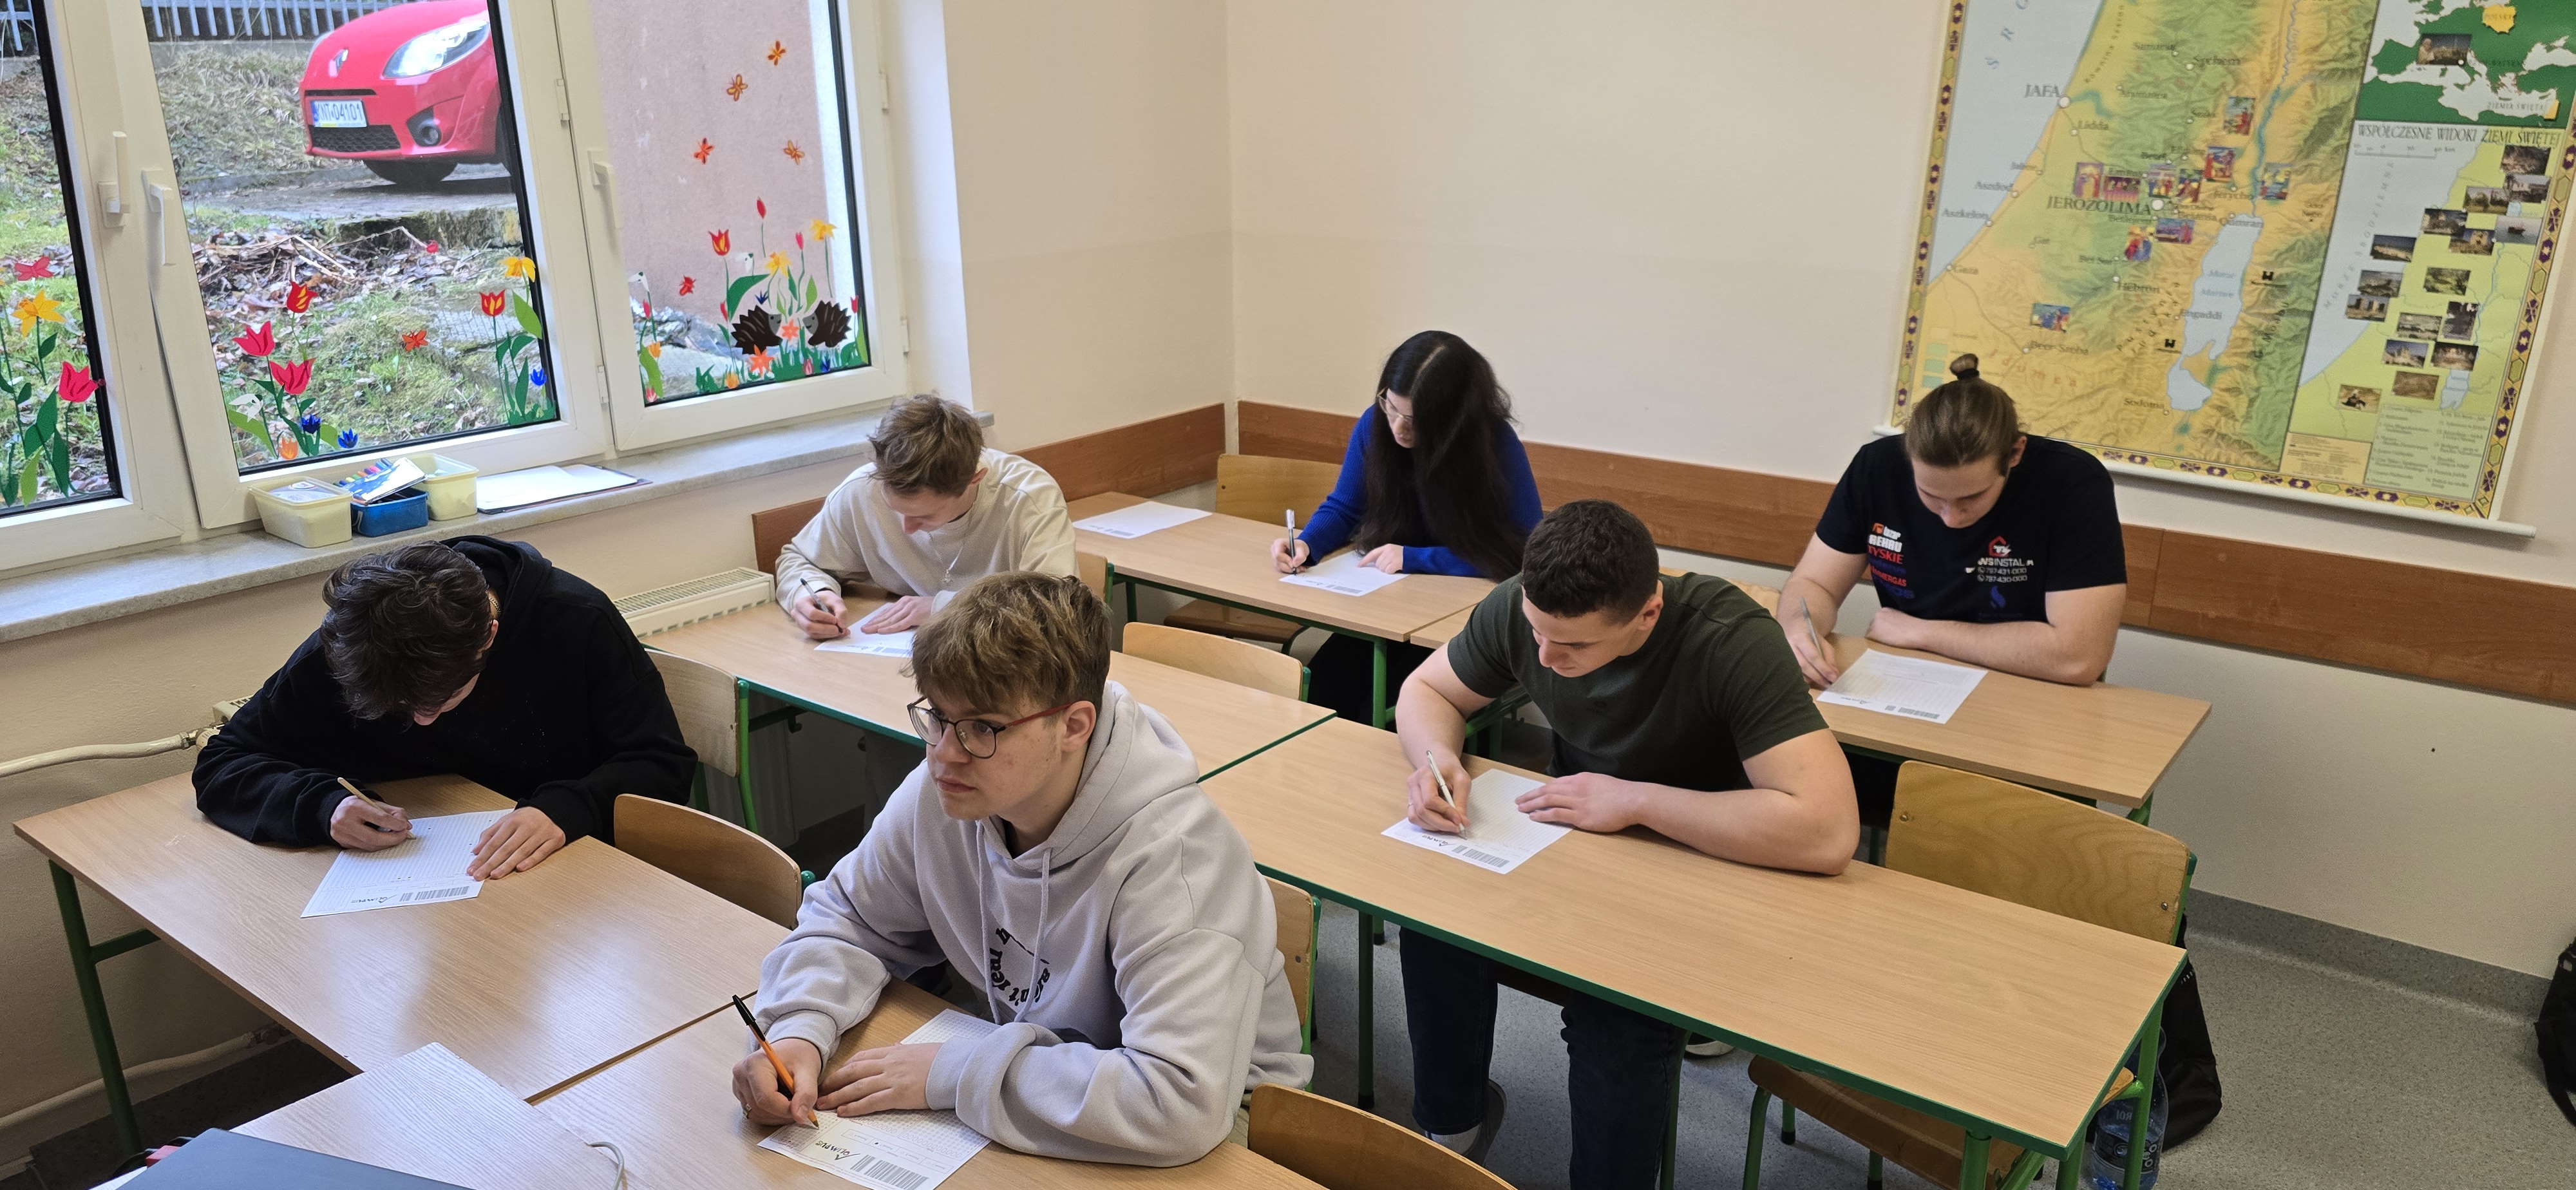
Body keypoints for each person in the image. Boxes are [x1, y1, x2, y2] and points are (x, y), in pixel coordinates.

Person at [1777, 357, 2221, 1146]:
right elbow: (1813, 582)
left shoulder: (2069, 483)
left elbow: (2076, 654)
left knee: (2084, 874)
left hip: (2028, 739)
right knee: (1782, 795)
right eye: (1930, 498)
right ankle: (1808, 1011)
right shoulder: (1877, 467)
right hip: (1896, 719)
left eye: (1971, 500)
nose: (1949, 518)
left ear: (2012, 455)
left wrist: (1919, 631)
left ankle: (2154, 1080)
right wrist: (1798, 626)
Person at [735, 572, 1311, 1164]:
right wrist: (798, 1030)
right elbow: (848, 920)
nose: (943, 753)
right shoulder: (949, 791)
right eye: (937, 717)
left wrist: (957, 1072)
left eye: (983, 728)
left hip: (1221, 1127)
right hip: (1040, 1082)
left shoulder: (1178, 861)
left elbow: (1179, 1102)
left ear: (1074, 726)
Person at [1393, 500, 1855, 1189]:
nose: (1544, 658)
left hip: (1708, 860)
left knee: (1616, 1018)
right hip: (1579, 840)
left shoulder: (1731, 639)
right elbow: (1428, 689)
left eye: (1573, 647)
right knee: (1436, 926)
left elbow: (1826, 830)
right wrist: (1436, 761)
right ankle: (1451, 1125)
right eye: (1536, 633)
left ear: (1647, 613)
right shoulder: (1526, 605)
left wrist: (1637, 801)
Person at [193, 538, 692, 878]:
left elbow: (661, 766)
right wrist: (322, 808)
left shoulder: (576, 621)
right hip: (412, 886)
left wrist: (569, 809)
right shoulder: (351, 643)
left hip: (571, 874)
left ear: (487, 637)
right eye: (400, 708)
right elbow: (225, 762)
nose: (422, 721)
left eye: (439, 700)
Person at [1268, 330, 1541, 721]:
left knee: (1382, 714)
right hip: (1390, 605)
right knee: (1320, 696)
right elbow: (1345, 507)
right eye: (1391, 407)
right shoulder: (1374, 424)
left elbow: (1530, 551)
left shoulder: (1495, 443)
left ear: (1453, 419)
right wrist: (1307, 543)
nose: (1398, 427)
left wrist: (1417, 558)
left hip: (1464, 615)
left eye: (1414, 419)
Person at [778, 394, 1077, 640]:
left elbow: (1057, 609)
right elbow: (799, 560)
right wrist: (812, 594)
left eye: (924, 516)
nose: (907, 528)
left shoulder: (1029, 499)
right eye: (896, 510)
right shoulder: (862, 490)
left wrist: (943, 606)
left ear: (974, 480)